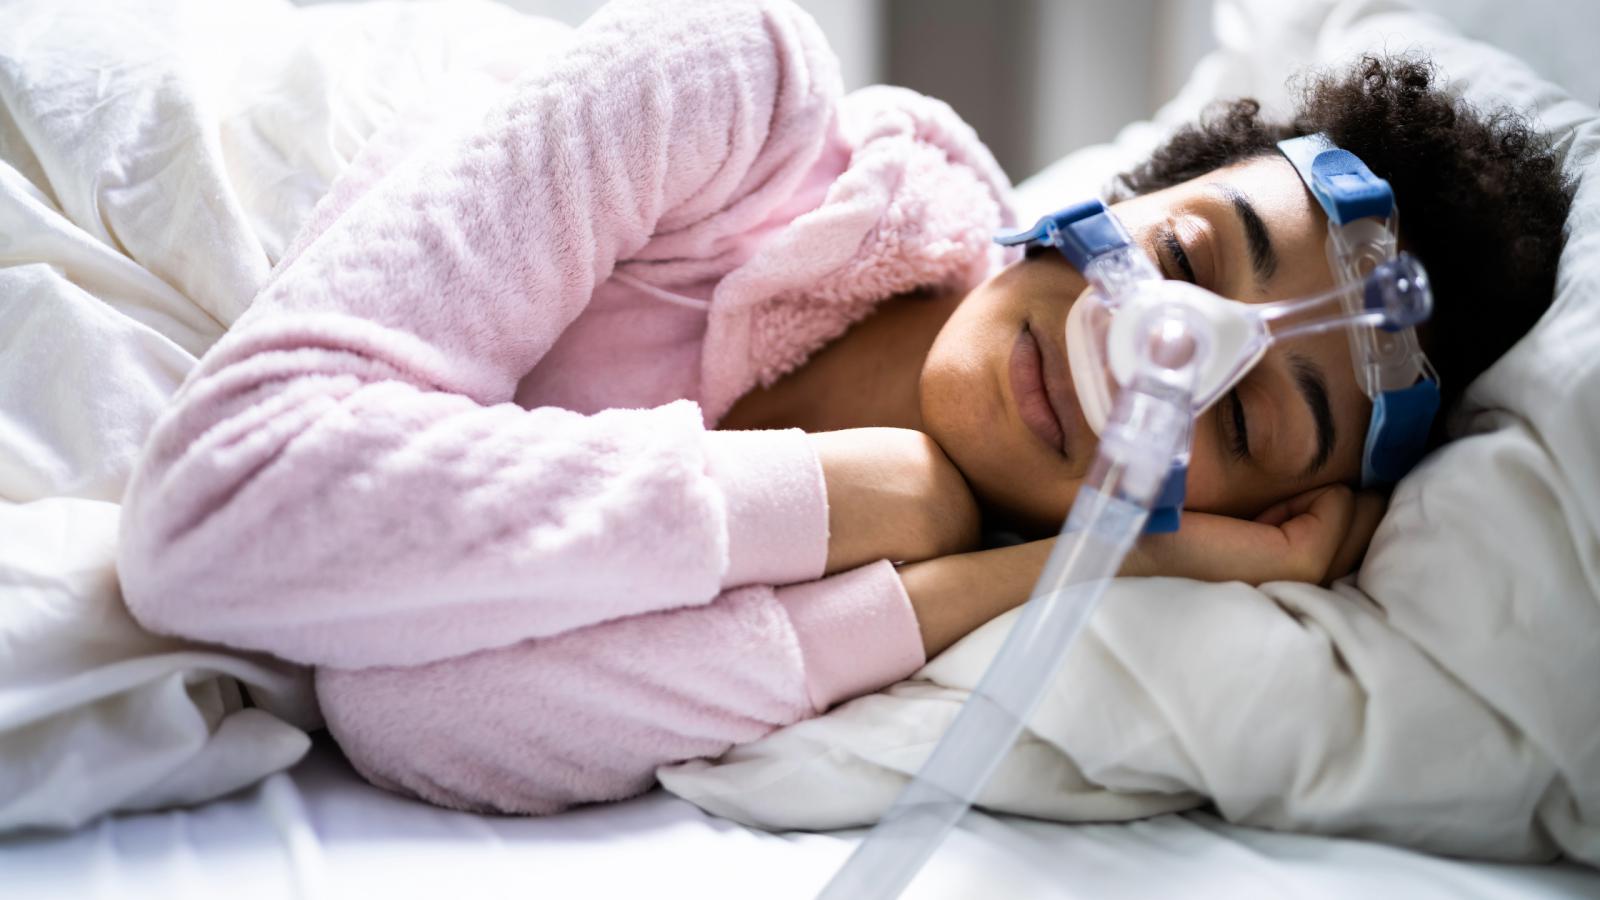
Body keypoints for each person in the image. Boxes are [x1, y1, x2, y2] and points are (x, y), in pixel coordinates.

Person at [116, 0, 1572, 816]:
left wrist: (968, 560)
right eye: (1186, 257)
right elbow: (216, 517)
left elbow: (416, 708)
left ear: (1254, 514)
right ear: (1118, 200)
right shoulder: (727, 97)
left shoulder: (914, 620)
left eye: (1238, 420)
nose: (1149, 351)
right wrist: (863, 486)